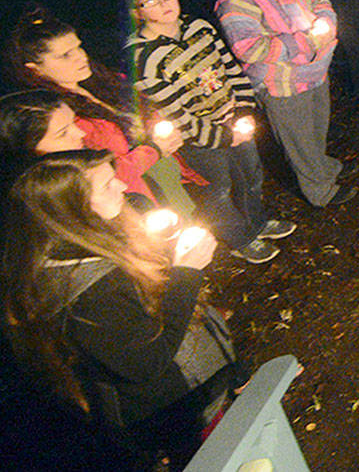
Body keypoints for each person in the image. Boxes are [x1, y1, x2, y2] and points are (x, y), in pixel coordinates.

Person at [2, 150, 241, 464]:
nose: (122, 186)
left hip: (193, 388)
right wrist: (186, 273)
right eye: (106, 185)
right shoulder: (86, 291)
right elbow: (146, 362)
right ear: (72, 208)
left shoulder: (95, 240)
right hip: (177, 409)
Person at [126, 0, 295, 264]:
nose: (164, 3)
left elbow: (230, 68)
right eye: (151, 1)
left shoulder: (199, 27)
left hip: (234, 120)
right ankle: (241, 238)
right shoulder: (143, 57)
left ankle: (256, 222)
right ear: (137, 12)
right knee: (219, 189)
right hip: (199, 139)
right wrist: (224, 137)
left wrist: (243, 110)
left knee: (251, 174)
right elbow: (174, 111)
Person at [215, 0, 355, 208]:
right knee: (299, 140)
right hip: (283, 82)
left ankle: (324, 168)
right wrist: (306, 41)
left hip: (315, 69)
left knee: (316, 127)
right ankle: (320, 191)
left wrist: (327, 21)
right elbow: (249, 48)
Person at [7, 7, 194, 214]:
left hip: (167, 176)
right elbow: (102, 172)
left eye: (78, 47)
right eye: (65, 55)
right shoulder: (61, 118)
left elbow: (141, 111)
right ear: (35, 69)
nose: (80, 57)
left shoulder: (101, 82)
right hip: (136, 200)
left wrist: (159, 128)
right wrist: (154, 150)